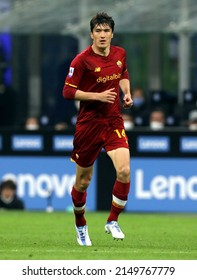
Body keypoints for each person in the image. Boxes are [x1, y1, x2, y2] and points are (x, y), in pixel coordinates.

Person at [62, 12, 133, 246]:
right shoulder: (81, 60)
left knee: (124, 171)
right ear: (91, 34)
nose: (102, 35)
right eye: (98, 31)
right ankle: (80, 224)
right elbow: (68, 92)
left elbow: (122, 73)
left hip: (113, 121)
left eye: (106, 31)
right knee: (83, 182)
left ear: (112, 33)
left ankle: (112, 220)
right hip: (89, 124)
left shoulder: (119, 54)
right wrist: (97, 96)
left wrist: (127, 93)